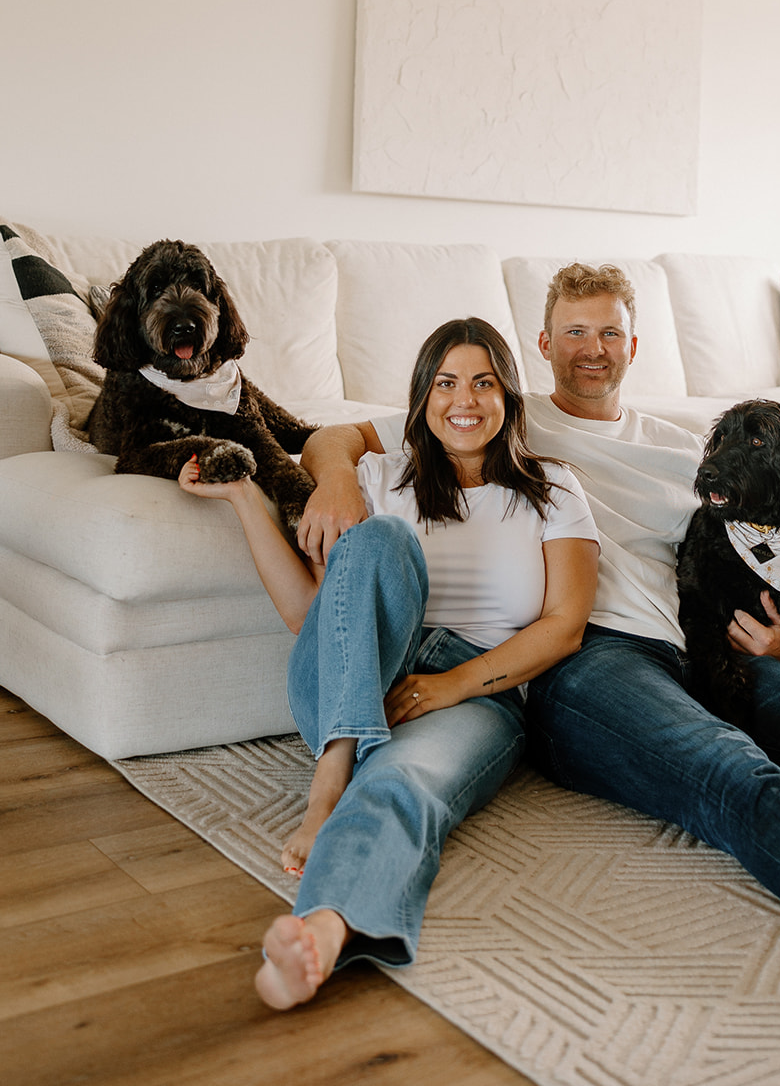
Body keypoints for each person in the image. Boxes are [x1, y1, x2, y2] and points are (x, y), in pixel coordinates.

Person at [299, 265, 780, 1020]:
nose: (591, 348)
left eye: (609, 332)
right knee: (738, 778)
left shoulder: (686, 452)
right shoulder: (500, 410)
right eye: (574, 331)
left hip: (702, 651)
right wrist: (333, 482)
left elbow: (767, 554)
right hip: (588, 665)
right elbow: (340, 436)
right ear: (542, 343)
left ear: (635, 347)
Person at [179, 316, 599, 1009]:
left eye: (483, 382)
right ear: (419, 400)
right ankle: (331, 776)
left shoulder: (552, 489)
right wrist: (245, 498)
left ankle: (321, 932)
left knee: (406, 780)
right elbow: (309, 616)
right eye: (444, 383)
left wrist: (446, 687)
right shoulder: (375, 477)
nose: (463, 400)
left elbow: (562, 629)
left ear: (508, 398)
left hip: (472, 691)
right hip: (359, 671)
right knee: (380, 541)